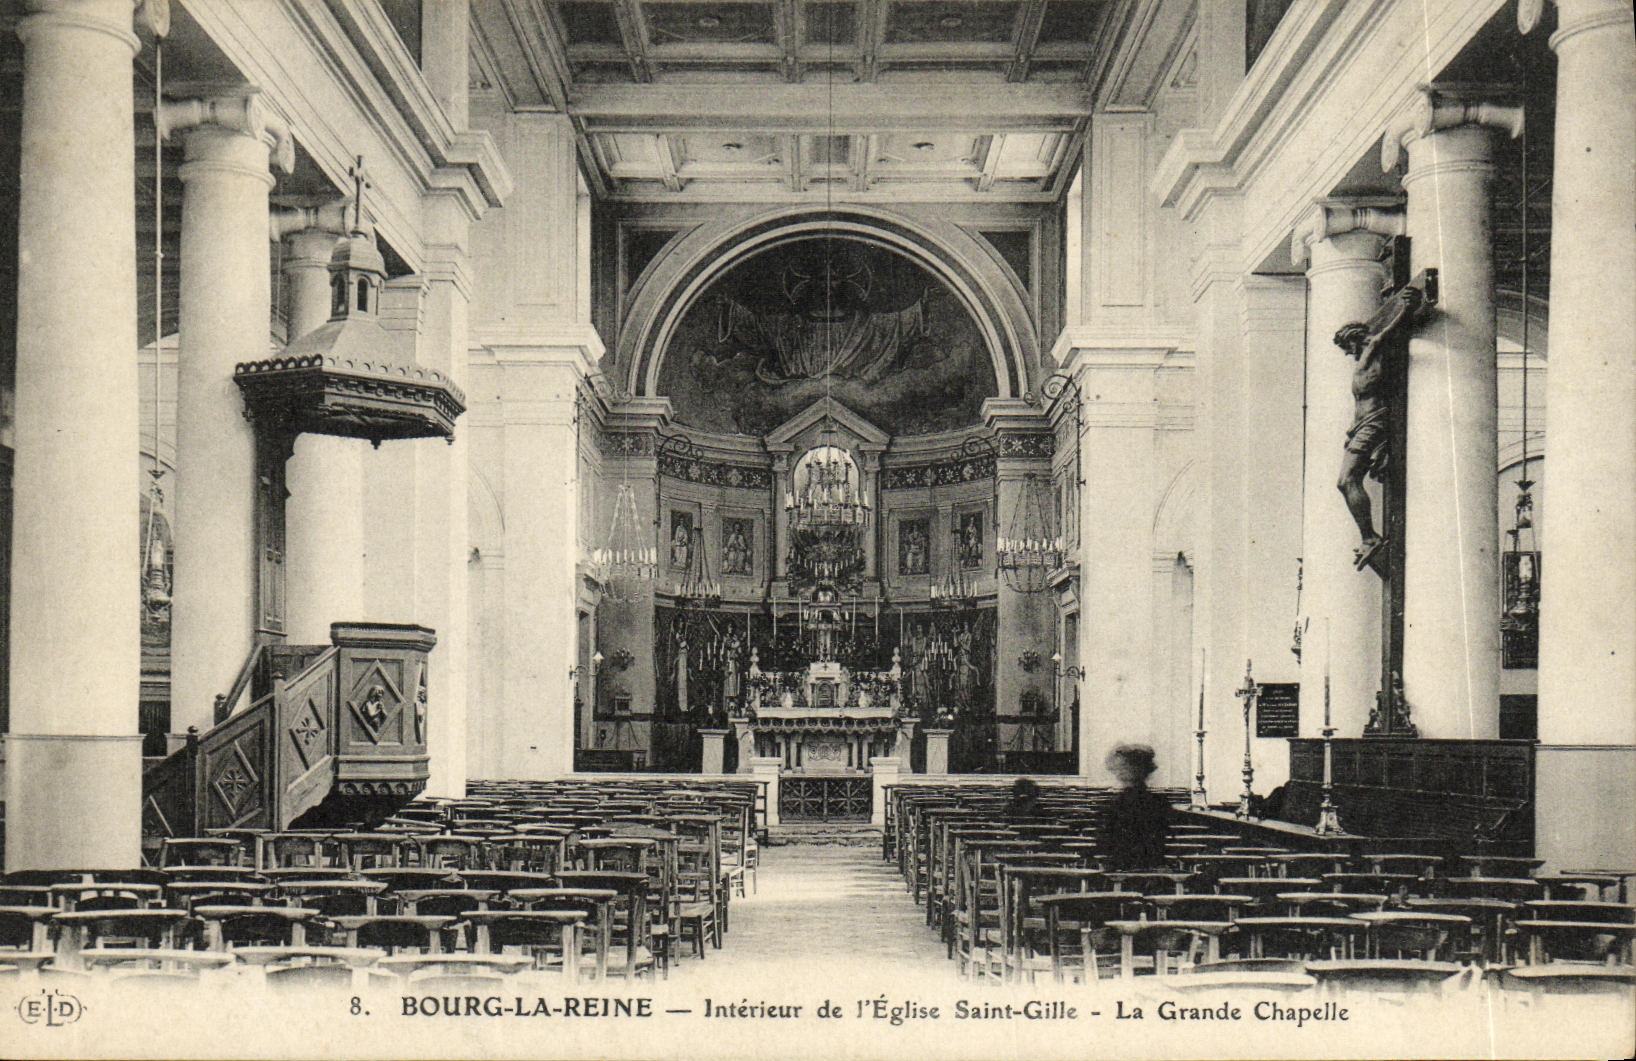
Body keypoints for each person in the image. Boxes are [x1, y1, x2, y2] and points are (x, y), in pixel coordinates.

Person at [1334, 285, 1423, 571]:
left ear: (1355, 340)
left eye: (1347, 347)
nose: (1347, 353)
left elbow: (1386, 333)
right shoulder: (1363, 360)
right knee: (1345, 481)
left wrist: (1406, 309)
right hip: (1361, 425)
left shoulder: (1372, 347)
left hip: (1374, 422)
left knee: (1347, 480)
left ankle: (1369, 538)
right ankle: (1369, 537)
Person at [1098, 743, 1169, 870]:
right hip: (1153, 866)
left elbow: (1104, 844)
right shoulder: (1161, 802)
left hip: (1121, 868)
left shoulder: (1115, 805)